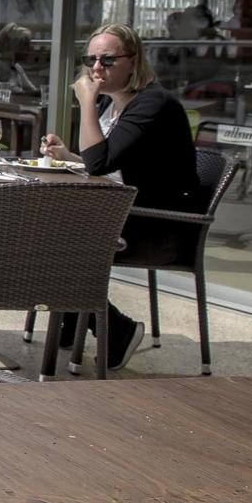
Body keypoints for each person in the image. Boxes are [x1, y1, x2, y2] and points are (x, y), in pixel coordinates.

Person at [43, 23, 204, 373]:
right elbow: (108, 161)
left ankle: (116, 329)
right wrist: (69, 156)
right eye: (92, 59)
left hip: (161, 230)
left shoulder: (152, 104)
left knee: (57, 243)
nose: (96, 68)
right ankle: (74, 317)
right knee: (47, 231)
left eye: (108, 60)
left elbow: (101, 162)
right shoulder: (117, 105)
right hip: (126, 215)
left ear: (133, 61)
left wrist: (86, 103)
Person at [0, 23, 41, 97]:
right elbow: (12, 93)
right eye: (24, 45)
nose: (29, 49)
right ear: (11, 46)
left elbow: (31, 89)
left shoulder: (16, 67)